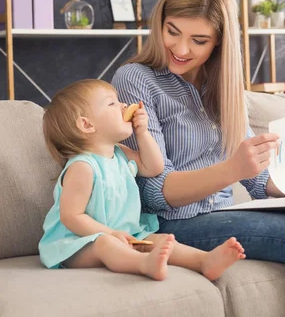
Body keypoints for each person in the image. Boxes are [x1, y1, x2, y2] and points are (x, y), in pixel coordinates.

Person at [112, 0, 285, 316]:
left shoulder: (222, 86)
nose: (181, 48)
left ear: (219, 42)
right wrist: (231, 168)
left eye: (199, 40)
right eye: (172, 31)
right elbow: (154, 192)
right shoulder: (135, 80)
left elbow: (256, 180)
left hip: (225, 213)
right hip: (172, 222)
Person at [38, 79, 246, 281]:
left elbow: (154, 167)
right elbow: (71, 217)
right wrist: (110, 234)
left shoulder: (119, 153)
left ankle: (204, 261)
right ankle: (143, 264)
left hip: (124, 235)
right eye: (112, 103)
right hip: (76, 244)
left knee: (158, 240)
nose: (123, 105)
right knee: (105, 245)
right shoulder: (82, 167)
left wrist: (143, 133)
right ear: (86, 124)